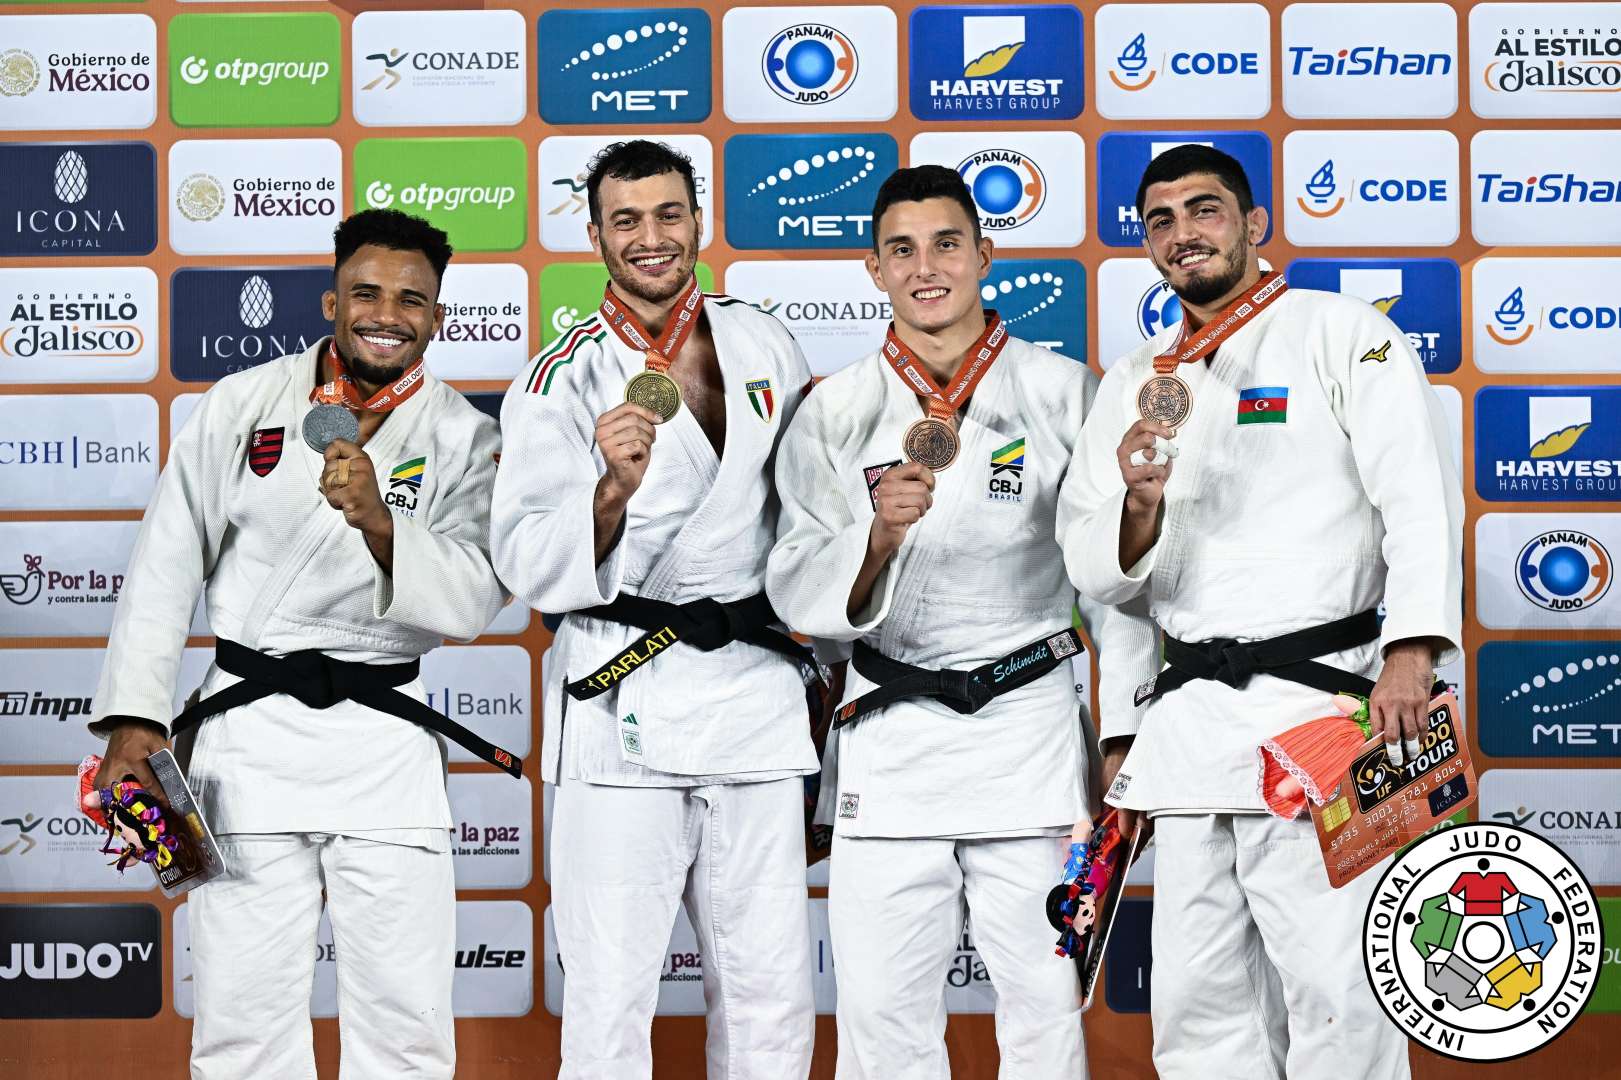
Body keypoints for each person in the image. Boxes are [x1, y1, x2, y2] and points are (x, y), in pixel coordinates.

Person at [1057, 144, 1462, 1080]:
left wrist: (1410, 652)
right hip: (1189, 729)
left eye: (1202, 210)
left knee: (1337, 993)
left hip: (1324, 716)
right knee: (1197, 1007)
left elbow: (1417, 499)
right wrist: (1139, 513)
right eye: (1159, 220)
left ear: (1252, 224)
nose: (1181, 233)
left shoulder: (1340, 332)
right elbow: (1102, 585)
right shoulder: (1131, 382)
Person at [88, 208, 510, 1078]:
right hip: (248, 741)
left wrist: (381, 525)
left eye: (411, 299)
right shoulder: (242, 404)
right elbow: (165, 563)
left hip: (384, 740)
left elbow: (473, 599)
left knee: (405, 1023)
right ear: (330, 302)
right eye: (366, 292)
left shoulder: (467, 437)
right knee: (243, 1021)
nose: (385, 312)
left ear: (437, 317)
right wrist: (133, 720)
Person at [766, 165, 1151, 1080]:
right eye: (902, 249)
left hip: (1027, 728)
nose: (925, 267)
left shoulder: (1064, 393)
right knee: (879, 1017)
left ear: (987, 252)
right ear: (873, 269)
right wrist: (875, 538)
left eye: (946, 243)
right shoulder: (834, 408)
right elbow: (793, 586)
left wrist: (1124, 730)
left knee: (1043, 1008)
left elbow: (1111, 585)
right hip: (890, 732)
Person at [491, 139, 818, 1079]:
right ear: (593, 235)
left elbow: (802, 507)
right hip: (622, 696)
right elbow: (524, 563)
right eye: (625, 220)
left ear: (698, 221)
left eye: (668, 214)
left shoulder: (762, 338)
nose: (650, 238)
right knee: (610, 992)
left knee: (770, 989)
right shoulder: (559, 377)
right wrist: (608, 492)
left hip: (752, 691)